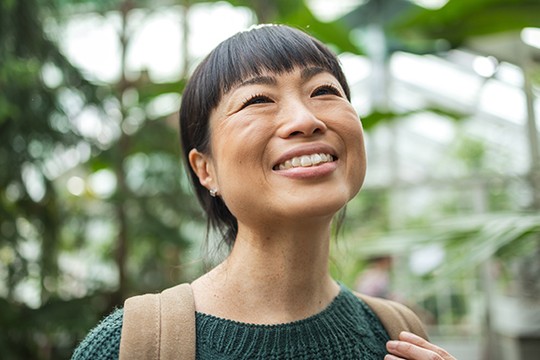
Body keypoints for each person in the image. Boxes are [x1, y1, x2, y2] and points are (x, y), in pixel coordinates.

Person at [72, 24, 455, 359]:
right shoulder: (130, 348)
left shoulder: (396, 333)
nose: (305, 120)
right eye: (258, 100)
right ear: (205, 169)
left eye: (323, 90)